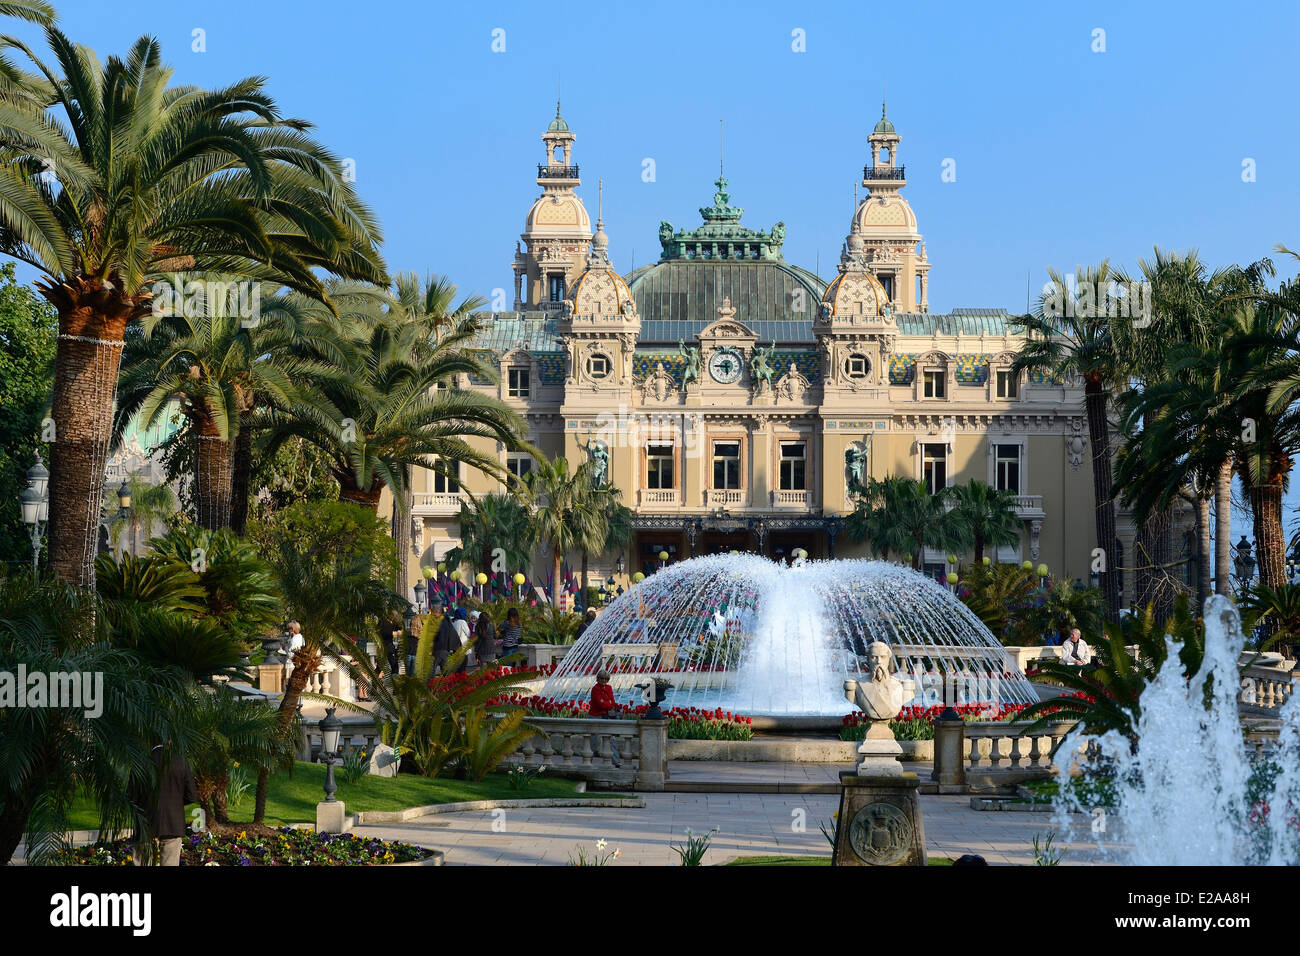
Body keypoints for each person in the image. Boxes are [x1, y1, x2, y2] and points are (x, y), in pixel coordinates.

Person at [133, 743, 198, 867]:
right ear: (169, 741)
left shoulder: (141, 760)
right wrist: (176, 804)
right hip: (173, 822)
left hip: (145, 821)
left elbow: (131, 795)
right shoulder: (181, 761)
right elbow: (191, 796)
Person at [588, 671, 621, 767]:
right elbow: (600, 704)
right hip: (595, 716)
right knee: (593, 741)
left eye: (606, 679)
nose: (604, 680)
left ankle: (616, 761)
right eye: (602, 678)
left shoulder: (609, 688)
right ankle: (588, 760)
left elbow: (612, 702)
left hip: (606, 716)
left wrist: (606, 703)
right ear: (598, 679)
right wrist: (608, 703)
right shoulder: (595, 689)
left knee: (612, 739)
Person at [432, 605, 461, 673]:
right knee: (445, 672)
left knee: (430, 672)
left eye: (434, 612)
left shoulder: (441, 622)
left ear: (438, 613)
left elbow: (441, 637)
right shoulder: (446, 620)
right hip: (445, 650)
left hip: (439, 649)